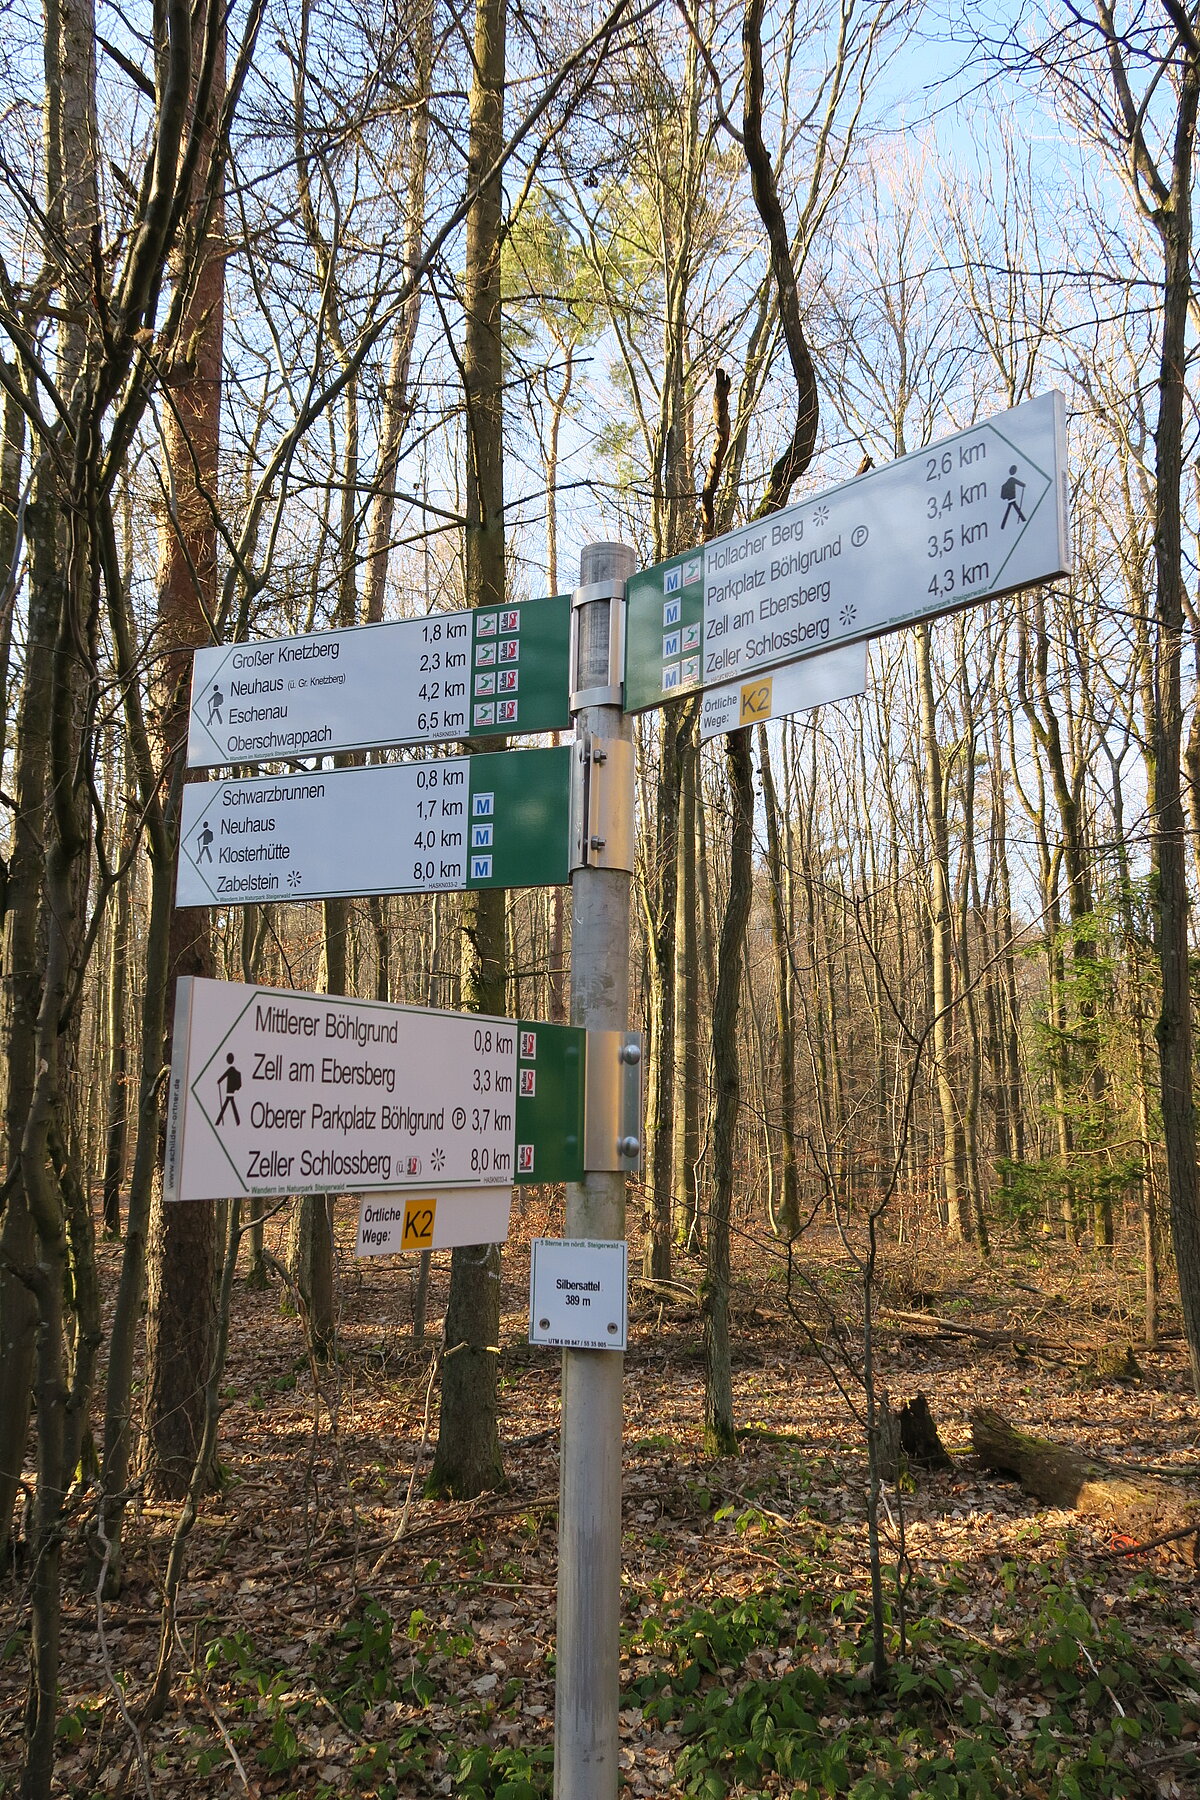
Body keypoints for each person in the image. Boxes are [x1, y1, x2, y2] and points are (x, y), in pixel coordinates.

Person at [216, 1053, 242, 1126]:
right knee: (230, 1105)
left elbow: (223, 1076)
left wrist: (219, 1081)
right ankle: (237, 1121)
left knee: (227, 1106)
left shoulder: (230, 1070)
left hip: (229, 1092)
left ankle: (218, 1121)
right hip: (232, 1092)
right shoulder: (234, 1071)